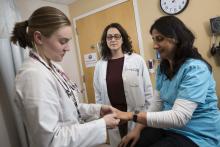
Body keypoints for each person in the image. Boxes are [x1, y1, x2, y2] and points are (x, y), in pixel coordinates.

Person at [11, 6, 120, 147]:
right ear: (39, 38)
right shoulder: (33, 76)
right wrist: (102, 124)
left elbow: (69, 109)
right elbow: (51, 141)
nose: (68, 48)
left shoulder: (54, 67)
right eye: (63, 41)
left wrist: (97, 109)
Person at [115, 16, 220, 147]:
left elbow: (179, 117)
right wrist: (136, 130)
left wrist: (131, 115)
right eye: (153, 39)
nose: (154, 45)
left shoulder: (196, 69)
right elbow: (157, 105)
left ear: (177, 38)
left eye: (159, 39)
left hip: (197, 134)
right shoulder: (163, 68)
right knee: (133, 143)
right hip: (169, 128)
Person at [93, 23, 159, 147]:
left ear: (123, 39)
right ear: (105, 40)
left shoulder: (137, 60)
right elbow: (98, 92)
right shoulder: (100, 64)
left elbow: (148, 90)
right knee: (118, 144)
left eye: (117, 36)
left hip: (136, 114)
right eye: (109, 37)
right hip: (113, 115)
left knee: (136, 144)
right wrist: (101, 113)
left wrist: (147, 114)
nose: (113, 39)